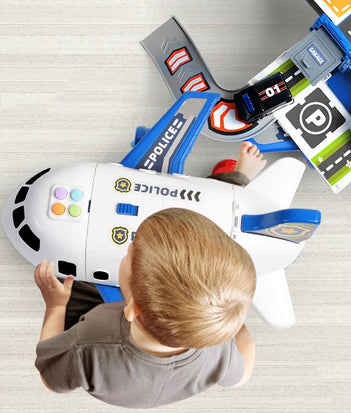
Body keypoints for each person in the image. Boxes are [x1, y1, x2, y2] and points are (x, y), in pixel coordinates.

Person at [33, 142, 266, 408]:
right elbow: (241, 376)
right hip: (165, 337)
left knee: (71, 277)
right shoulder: (218, 352)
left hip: (101, 335)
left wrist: (55, 306)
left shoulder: (89, 344)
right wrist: (224, 320)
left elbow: (50, 379)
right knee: (198, 240)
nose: (128, 248)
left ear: (131, 307)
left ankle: (232, 183)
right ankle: (235, 182)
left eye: (129, 253)